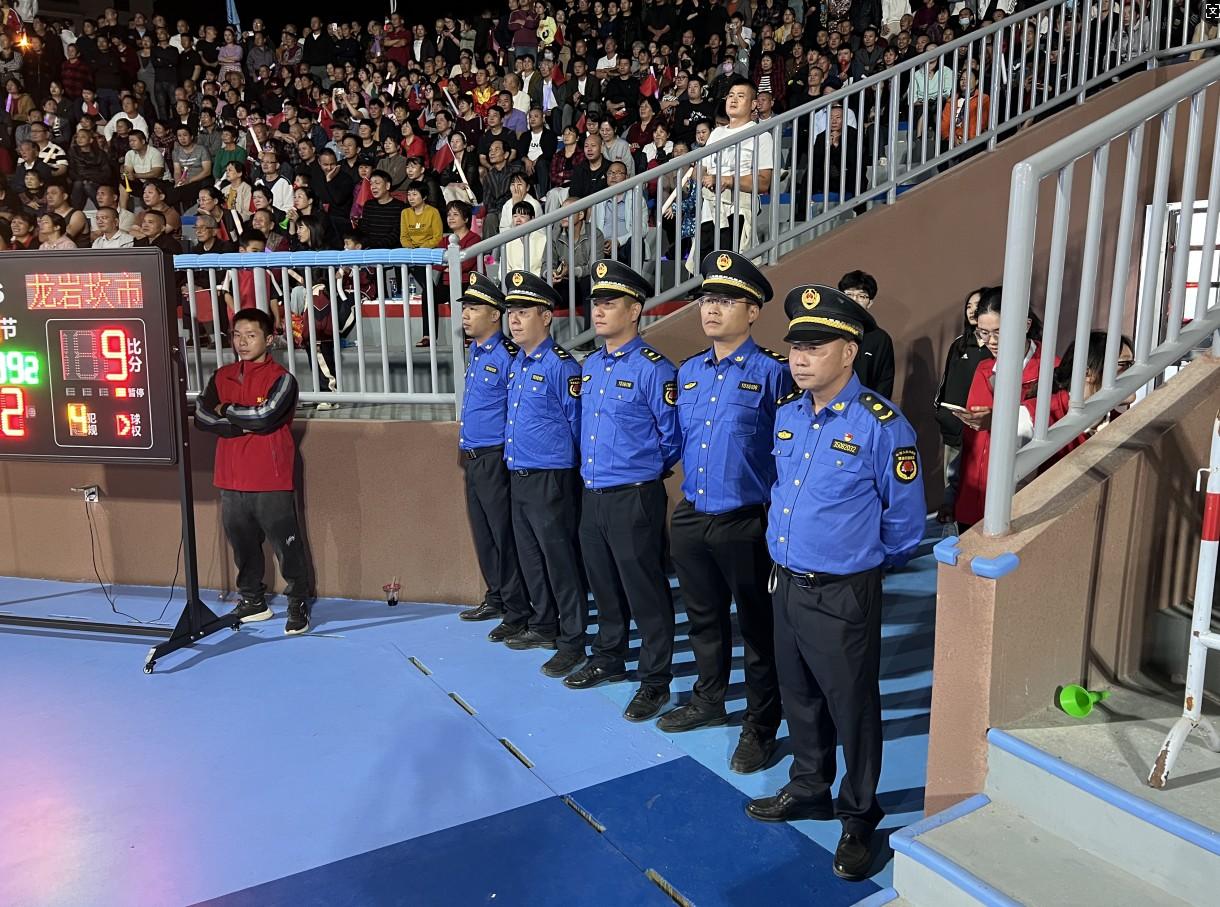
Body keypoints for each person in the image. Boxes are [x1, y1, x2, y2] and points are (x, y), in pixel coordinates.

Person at [745, 284, 926, 884]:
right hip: (786, 583)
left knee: (852, 705)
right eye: (796, 347)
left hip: (844, 589)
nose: (799, 359)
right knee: (798, 694)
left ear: (849, 352)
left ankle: (859, 814)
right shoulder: (789, 414)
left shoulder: (881, 425)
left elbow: (905, 522)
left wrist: (860, 566)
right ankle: (809, 787)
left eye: (815, 347)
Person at [658, 250, 791, 773]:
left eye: (726, 301)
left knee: (758, 630)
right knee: (704, 618)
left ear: (753, 311)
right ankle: (708, 699)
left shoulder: (775, 374)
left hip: (747, 520)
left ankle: (760, 724)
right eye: (706, 299)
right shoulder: (689, 371)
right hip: (693, 514)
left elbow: (788, 451)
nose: (711, 309)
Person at [564, 261, 681, 724]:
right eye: (596, 302)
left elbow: (672, 437)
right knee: (603, 583)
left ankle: (654, 680)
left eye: (609, 303)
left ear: (634, 310)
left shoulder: (655, 369)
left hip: (634, 494)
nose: (598, 310)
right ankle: (609, 655)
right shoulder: (591, 365)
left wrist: (642, 472)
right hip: (593, 493)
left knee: (644, 590)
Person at [491, 271, 589, 678]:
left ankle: (573, 639)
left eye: (524, 312)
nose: (514, 320)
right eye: (511, 312)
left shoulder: (560, 366)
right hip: (520, 472)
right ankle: (544, 624)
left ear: (546, 317)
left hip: (551, 477)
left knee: (559, 561)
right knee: (530, 556)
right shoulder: (517, 362)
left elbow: (577, 423)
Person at [194, 307, 314, 636]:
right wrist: (239, 425)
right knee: (242, 545)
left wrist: (227, 411)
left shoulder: (282, 379)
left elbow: (266, 416)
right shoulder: (221, 376)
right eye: (237, 335)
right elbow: (202, 417)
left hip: (270, 477)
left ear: (269, 339)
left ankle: (298, 603)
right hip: (230, 477)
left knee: (286, 545)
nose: (242, 342)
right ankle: (252, 601)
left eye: (251, 335)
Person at [455, 272, 531, 627]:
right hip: (472, 456)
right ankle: (496, 596)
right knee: (484, 534)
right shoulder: (476, 350)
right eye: (465, 307)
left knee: (503, 536)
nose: (466, 314)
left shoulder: (508, 355)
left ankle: (516, 608)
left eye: (474, 308)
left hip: (494, 456)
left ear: (494, 314)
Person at [951, 287, 1051, 531]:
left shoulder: (1050, 370)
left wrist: (998, 421)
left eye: (999, 332)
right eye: (984, 333)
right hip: (977, 492)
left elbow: (1051, 425)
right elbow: (974, 445)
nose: (992, 341)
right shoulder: (984, 368)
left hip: (1022, 496)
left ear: (1026, 325)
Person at [934, 287, 990, 521]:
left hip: (981, 425)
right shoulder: (959, 344)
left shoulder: (997, 347)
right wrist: (941, 411)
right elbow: (946, 380)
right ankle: (949, 513)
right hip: (954, 422)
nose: (972, 311)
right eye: (968, 306)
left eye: (978, 306)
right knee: (952, 473)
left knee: (976, 476)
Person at [838, 271, 895, 399]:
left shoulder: (881, 339)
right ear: (840, 299)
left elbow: (884, 384)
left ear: (870, 303)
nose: (854, 300)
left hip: (863, 407)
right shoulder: (829, 332)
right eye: (849, 294)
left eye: (862, 296)